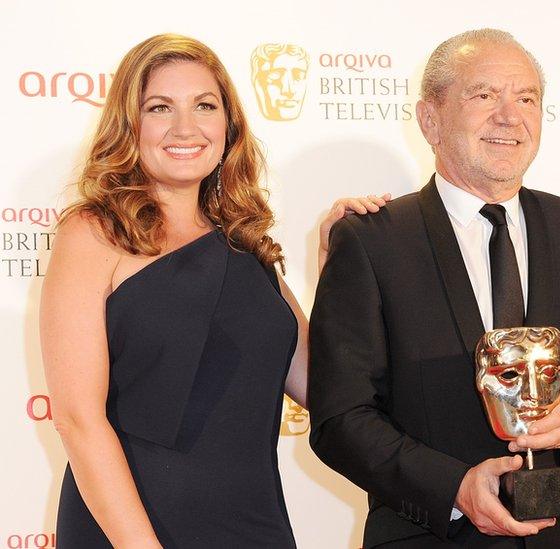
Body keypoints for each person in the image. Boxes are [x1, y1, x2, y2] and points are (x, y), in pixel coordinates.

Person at [307, 28, 560, 548]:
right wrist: (454, 489)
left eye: (527, 98)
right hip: (430, 535)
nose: (510, 116)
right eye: (484, 95)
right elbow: (341, 417)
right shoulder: (371, 240)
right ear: (430, 119)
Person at [40, 34, 387, 547]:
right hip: (128, 527)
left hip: (253, 523)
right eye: (160, 107)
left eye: (205, 105)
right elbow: (77, 420)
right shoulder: (94, 233)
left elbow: (326, 388)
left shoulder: (247, 247)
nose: (186, 128)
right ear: (129, 125)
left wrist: (339, 270)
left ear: (228, 125)